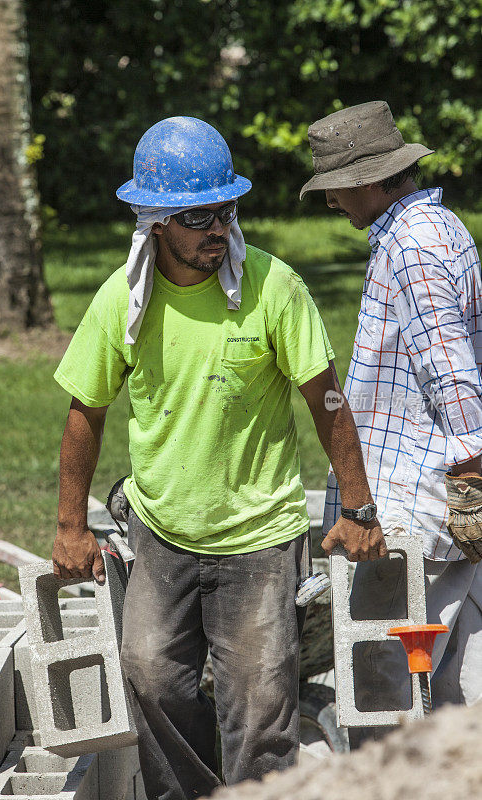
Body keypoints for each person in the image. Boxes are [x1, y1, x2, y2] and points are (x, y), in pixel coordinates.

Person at [51, 115, 386, 799]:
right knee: (149, 679)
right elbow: (86, 409)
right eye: (198, 216)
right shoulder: (122, 300)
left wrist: (357, 507)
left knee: (260, 707)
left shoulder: (273, 286)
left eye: (227, 211)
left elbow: (327, 401)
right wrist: (69, 526)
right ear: (156, 222)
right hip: (164, 532)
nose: (217, 230)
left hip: (258, 538)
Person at [301, 100, 482, 742]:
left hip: (419, 501)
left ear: (371, 180)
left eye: (338, 189)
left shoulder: (411, 247)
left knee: (404, 691)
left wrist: (471, 497)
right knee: (449, 668)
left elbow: (452, 376)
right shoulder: (438, 226)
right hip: (435, 493)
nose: (332, 205)